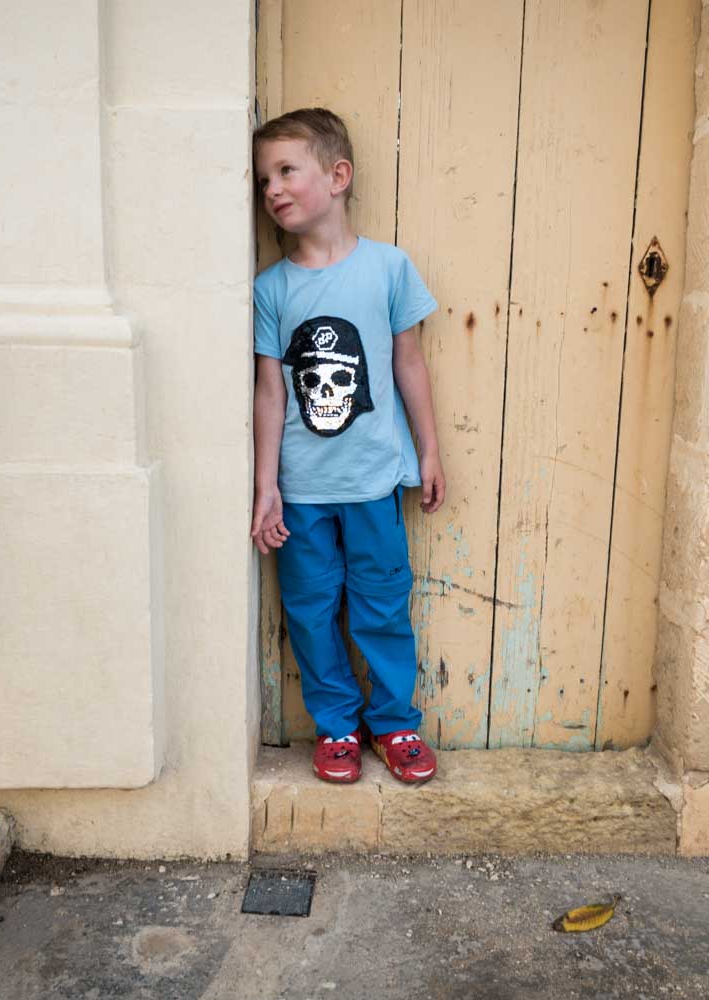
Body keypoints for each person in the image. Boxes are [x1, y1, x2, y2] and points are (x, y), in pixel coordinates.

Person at [251, 108, 445, 786]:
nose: (272, 189)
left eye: (286, 171)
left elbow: (409, 366)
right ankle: (336, 723)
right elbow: (270, 393)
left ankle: (395, 723)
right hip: (303, 491)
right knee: (309, 609)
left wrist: (429, 451)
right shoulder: (271, 289)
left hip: (372, 482)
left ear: (337, 176)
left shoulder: (388, 269)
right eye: (263, 179)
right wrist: (266, 484)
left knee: (382, 605)